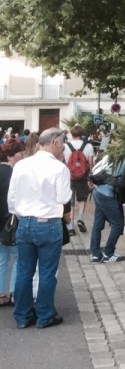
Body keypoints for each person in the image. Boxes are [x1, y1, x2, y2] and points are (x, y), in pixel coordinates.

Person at [7, 127, 72, 329]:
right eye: (62, 144)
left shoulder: (22, 165)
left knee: (24, 271)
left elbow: (12, 199)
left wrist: (22, 213)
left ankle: (22, 315)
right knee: (46, 272)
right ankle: (45, 315)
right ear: (55, 143)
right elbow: (63, 198)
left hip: (24, 221)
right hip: (48, 223)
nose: (63, 148)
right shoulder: (59, 168)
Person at [89, 156, 125, 263]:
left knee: (98, 224)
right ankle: (109, 253)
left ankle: (96, 254)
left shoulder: (109, 155)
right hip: (107, 194)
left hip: (97, 191)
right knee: (118, 224)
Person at [0, 140, 25, 306]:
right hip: (10, 221)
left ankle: (1, 293)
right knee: (17, 258)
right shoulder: (14, 173)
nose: (21, 157)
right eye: (19, 154)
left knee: (1, 259)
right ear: (10, 156)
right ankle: (16, 292)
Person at [63, 125, 95, 233]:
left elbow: (63, 161)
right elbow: (90, 162)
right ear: (82, 134)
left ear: (71, 134)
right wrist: (91, 176)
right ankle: (80, 218)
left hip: (69, 175)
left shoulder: (66, 146)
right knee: (82, 198)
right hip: (83, 176)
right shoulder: (88, 146)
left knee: (71, 200)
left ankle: (71, 225)